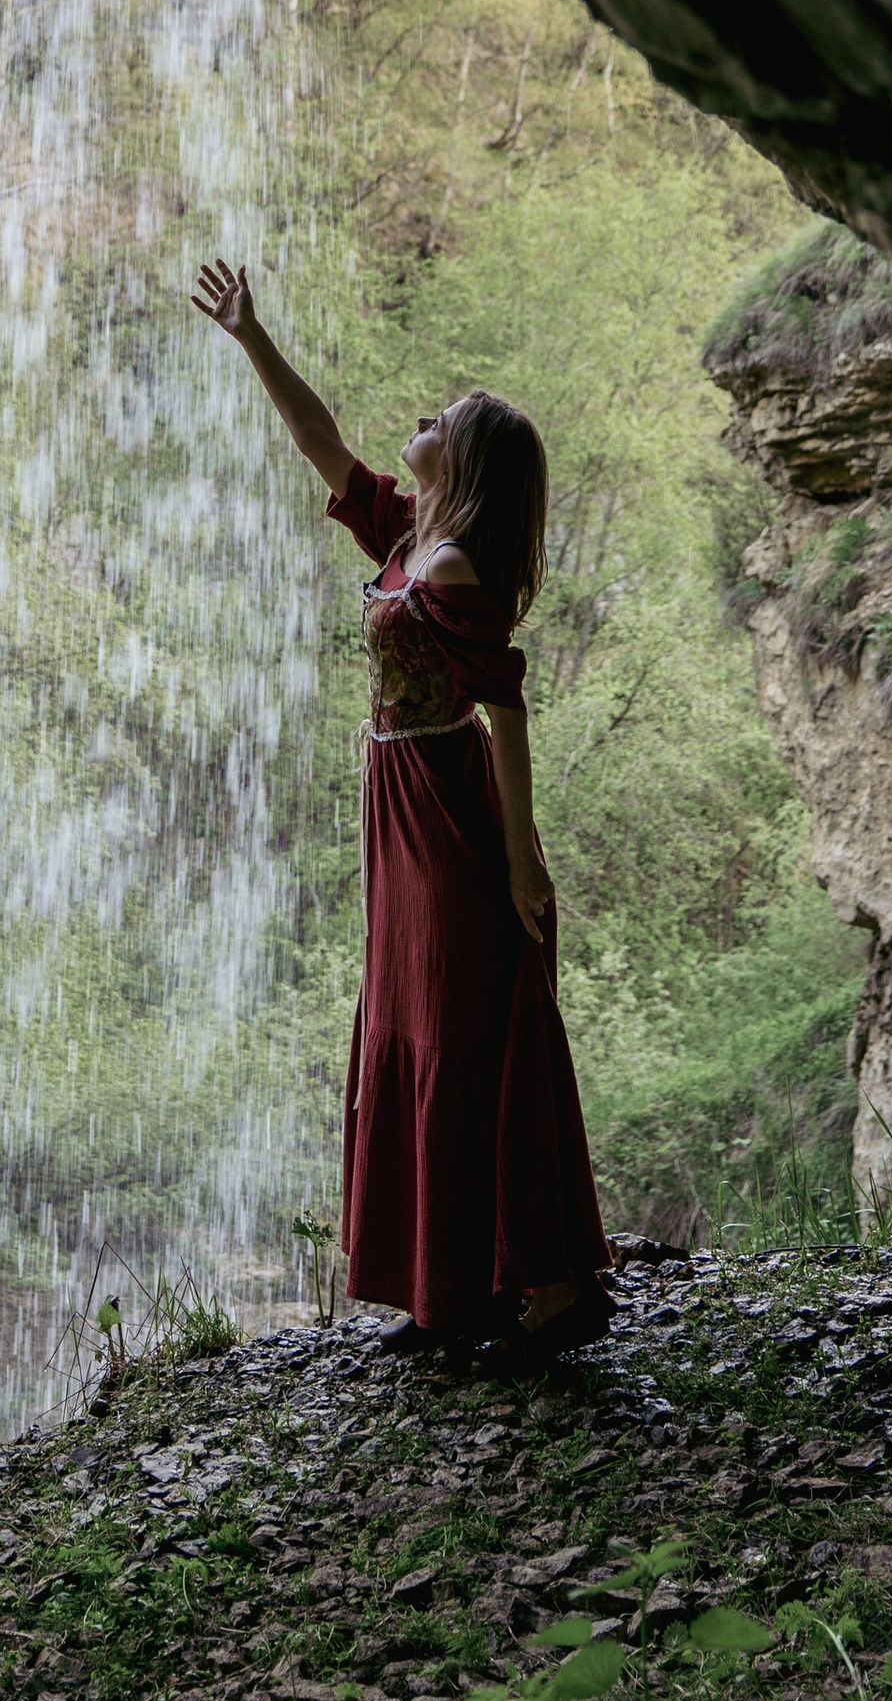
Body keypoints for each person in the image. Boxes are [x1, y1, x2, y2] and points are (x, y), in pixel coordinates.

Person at [193, 259, 613, 1375]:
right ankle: (457, 1282)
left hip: (447, 807)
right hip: (401, 803)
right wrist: (252, 337)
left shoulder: (455, 565)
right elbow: (320, 444)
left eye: (439, 420)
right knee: (416, 1024)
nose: (417, 423)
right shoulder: (406, 532)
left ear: (464, 459)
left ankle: (553, 1285)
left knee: (465, 1029)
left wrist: (520, 856)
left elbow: (506, 705)